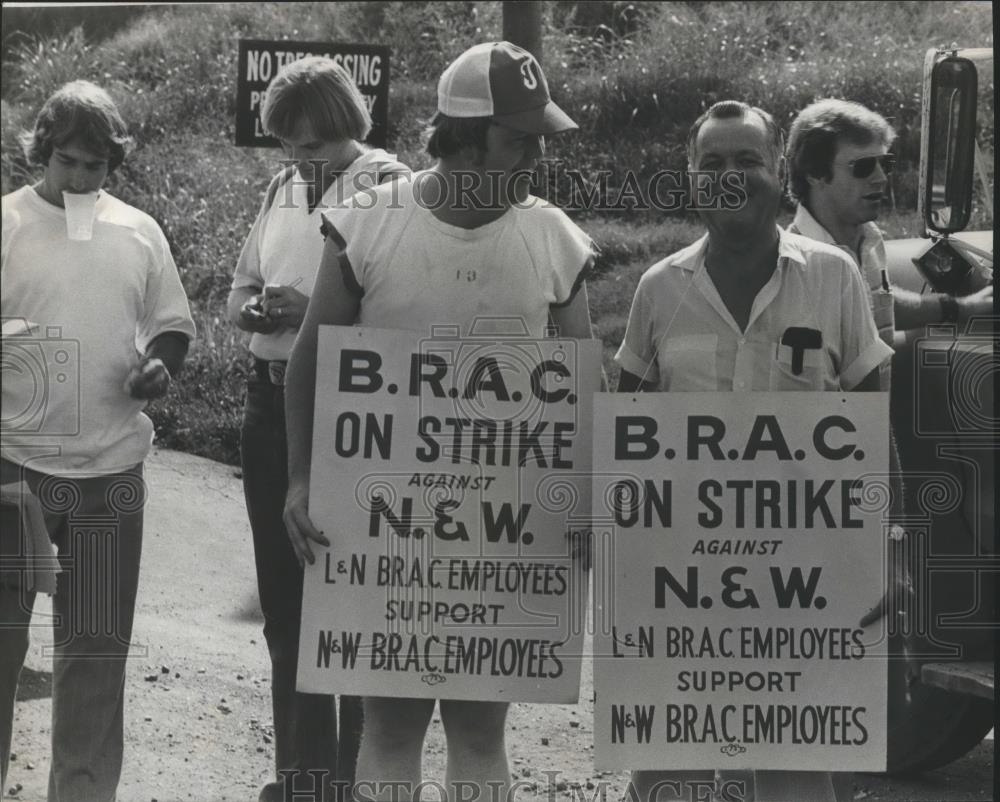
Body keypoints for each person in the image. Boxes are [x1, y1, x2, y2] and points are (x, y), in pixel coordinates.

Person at [282, 41, 596, 800]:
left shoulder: (551, 235)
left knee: (481, 730)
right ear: (464, 135)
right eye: (519, 137)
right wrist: (300, 479)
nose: (534, 154)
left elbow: (586, 380)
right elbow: (310, 360)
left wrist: (586, 489)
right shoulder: (368, 226)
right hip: (387, 522)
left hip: (504, 525)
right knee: (390, 726)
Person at [616, 101, 893, 802]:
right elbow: (625, 424)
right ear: (692, 179)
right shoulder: (658, 289)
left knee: (795, 769)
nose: (729, 175)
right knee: (667, 765)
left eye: (746, 159)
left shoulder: (835, 279)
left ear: (779, 173)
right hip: (680, 575)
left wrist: (890, 547)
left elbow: (869, 420)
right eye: (712, 163)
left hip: (808, 572)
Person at [1, 80, 195, 801]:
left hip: (110, 469)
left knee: (94, 650)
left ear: (114, 165)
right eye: (68, 163)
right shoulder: (8, 224)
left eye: (95, 168)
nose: (81, 180)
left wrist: (159, 366)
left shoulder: (138, 231)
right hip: (12, 467)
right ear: (41, 153)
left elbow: (172, 323)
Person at [227, 55, 409, 802]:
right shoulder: (279, 189)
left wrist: (311, 314)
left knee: (354, 598)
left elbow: (397, 306)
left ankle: (360, 778)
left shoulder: (389, 187)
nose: (303, 157)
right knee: (287, 605)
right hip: (270, 400)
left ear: (348, 125)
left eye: (316, 142)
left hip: (350, 409)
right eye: (290, 143)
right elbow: (242, 283)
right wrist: (254, 309)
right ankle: (303, 777)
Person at [785, 98, 992, 340]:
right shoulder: (797, 266)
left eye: (885, 163)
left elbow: (876, 305)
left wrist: (959, 310)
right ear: (815, 173)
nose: (881, 177)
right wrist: (962, 308)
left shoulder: (868, 237)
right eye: (863, 166)